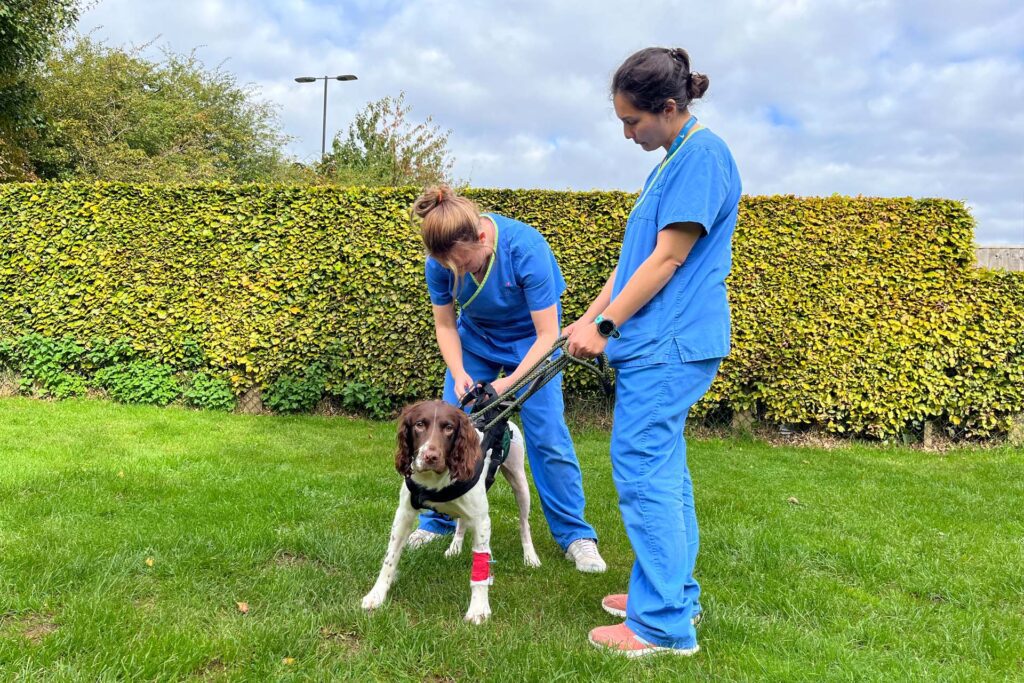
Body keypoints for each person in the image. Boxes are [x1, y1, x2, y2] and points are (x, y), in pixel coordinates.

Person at [566, 47, 741, 656]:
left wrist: (607, 327)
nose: (626, 133)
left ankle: (662, 624)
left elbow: (669, 260)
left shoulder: (703, 156)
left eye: (633, 121)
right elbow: (634, 264)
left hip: (670, 345)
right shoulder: (669, 163)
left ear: (668, 108)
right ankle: (671, 593)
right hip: (655, 344)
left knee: (644, 476)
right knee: (664, 472)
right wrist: (587, 319)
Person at [406, 185, 606, 573]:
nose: (460, 274)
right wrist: (461, 372)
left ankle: (575, 535)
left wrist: (509, 382)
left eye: (467, 266)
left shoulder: (526, 249)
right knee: (449, 428)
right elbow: (446, 325)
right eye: (451, 268)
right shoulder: (442, 262)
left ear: (482, 237)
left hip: (531, 343)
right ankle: (438, 520)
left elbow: (548, 334)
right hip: (476, 340)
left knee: (548, 436)